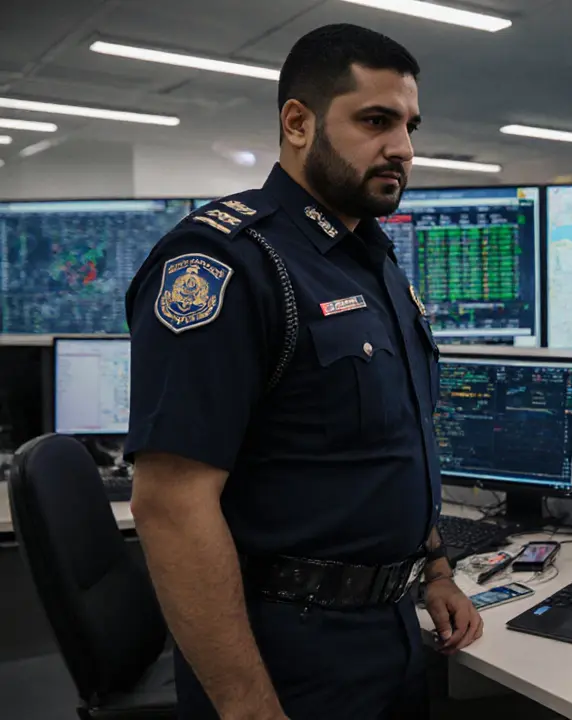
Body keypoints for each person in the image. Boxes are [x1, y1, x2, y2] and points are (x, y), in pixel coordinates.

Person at [124, 24, 481, 720]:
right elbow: (169, 506)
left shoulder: (370, 259)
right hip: (285, 656)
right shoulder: (227, 262)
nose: (402, 148)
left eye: (409, 125)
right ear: (297, 123)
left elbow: (390, 445)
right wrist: (247, 705)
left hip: (388, 637)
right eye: (375, 121)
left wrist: (434, 570)